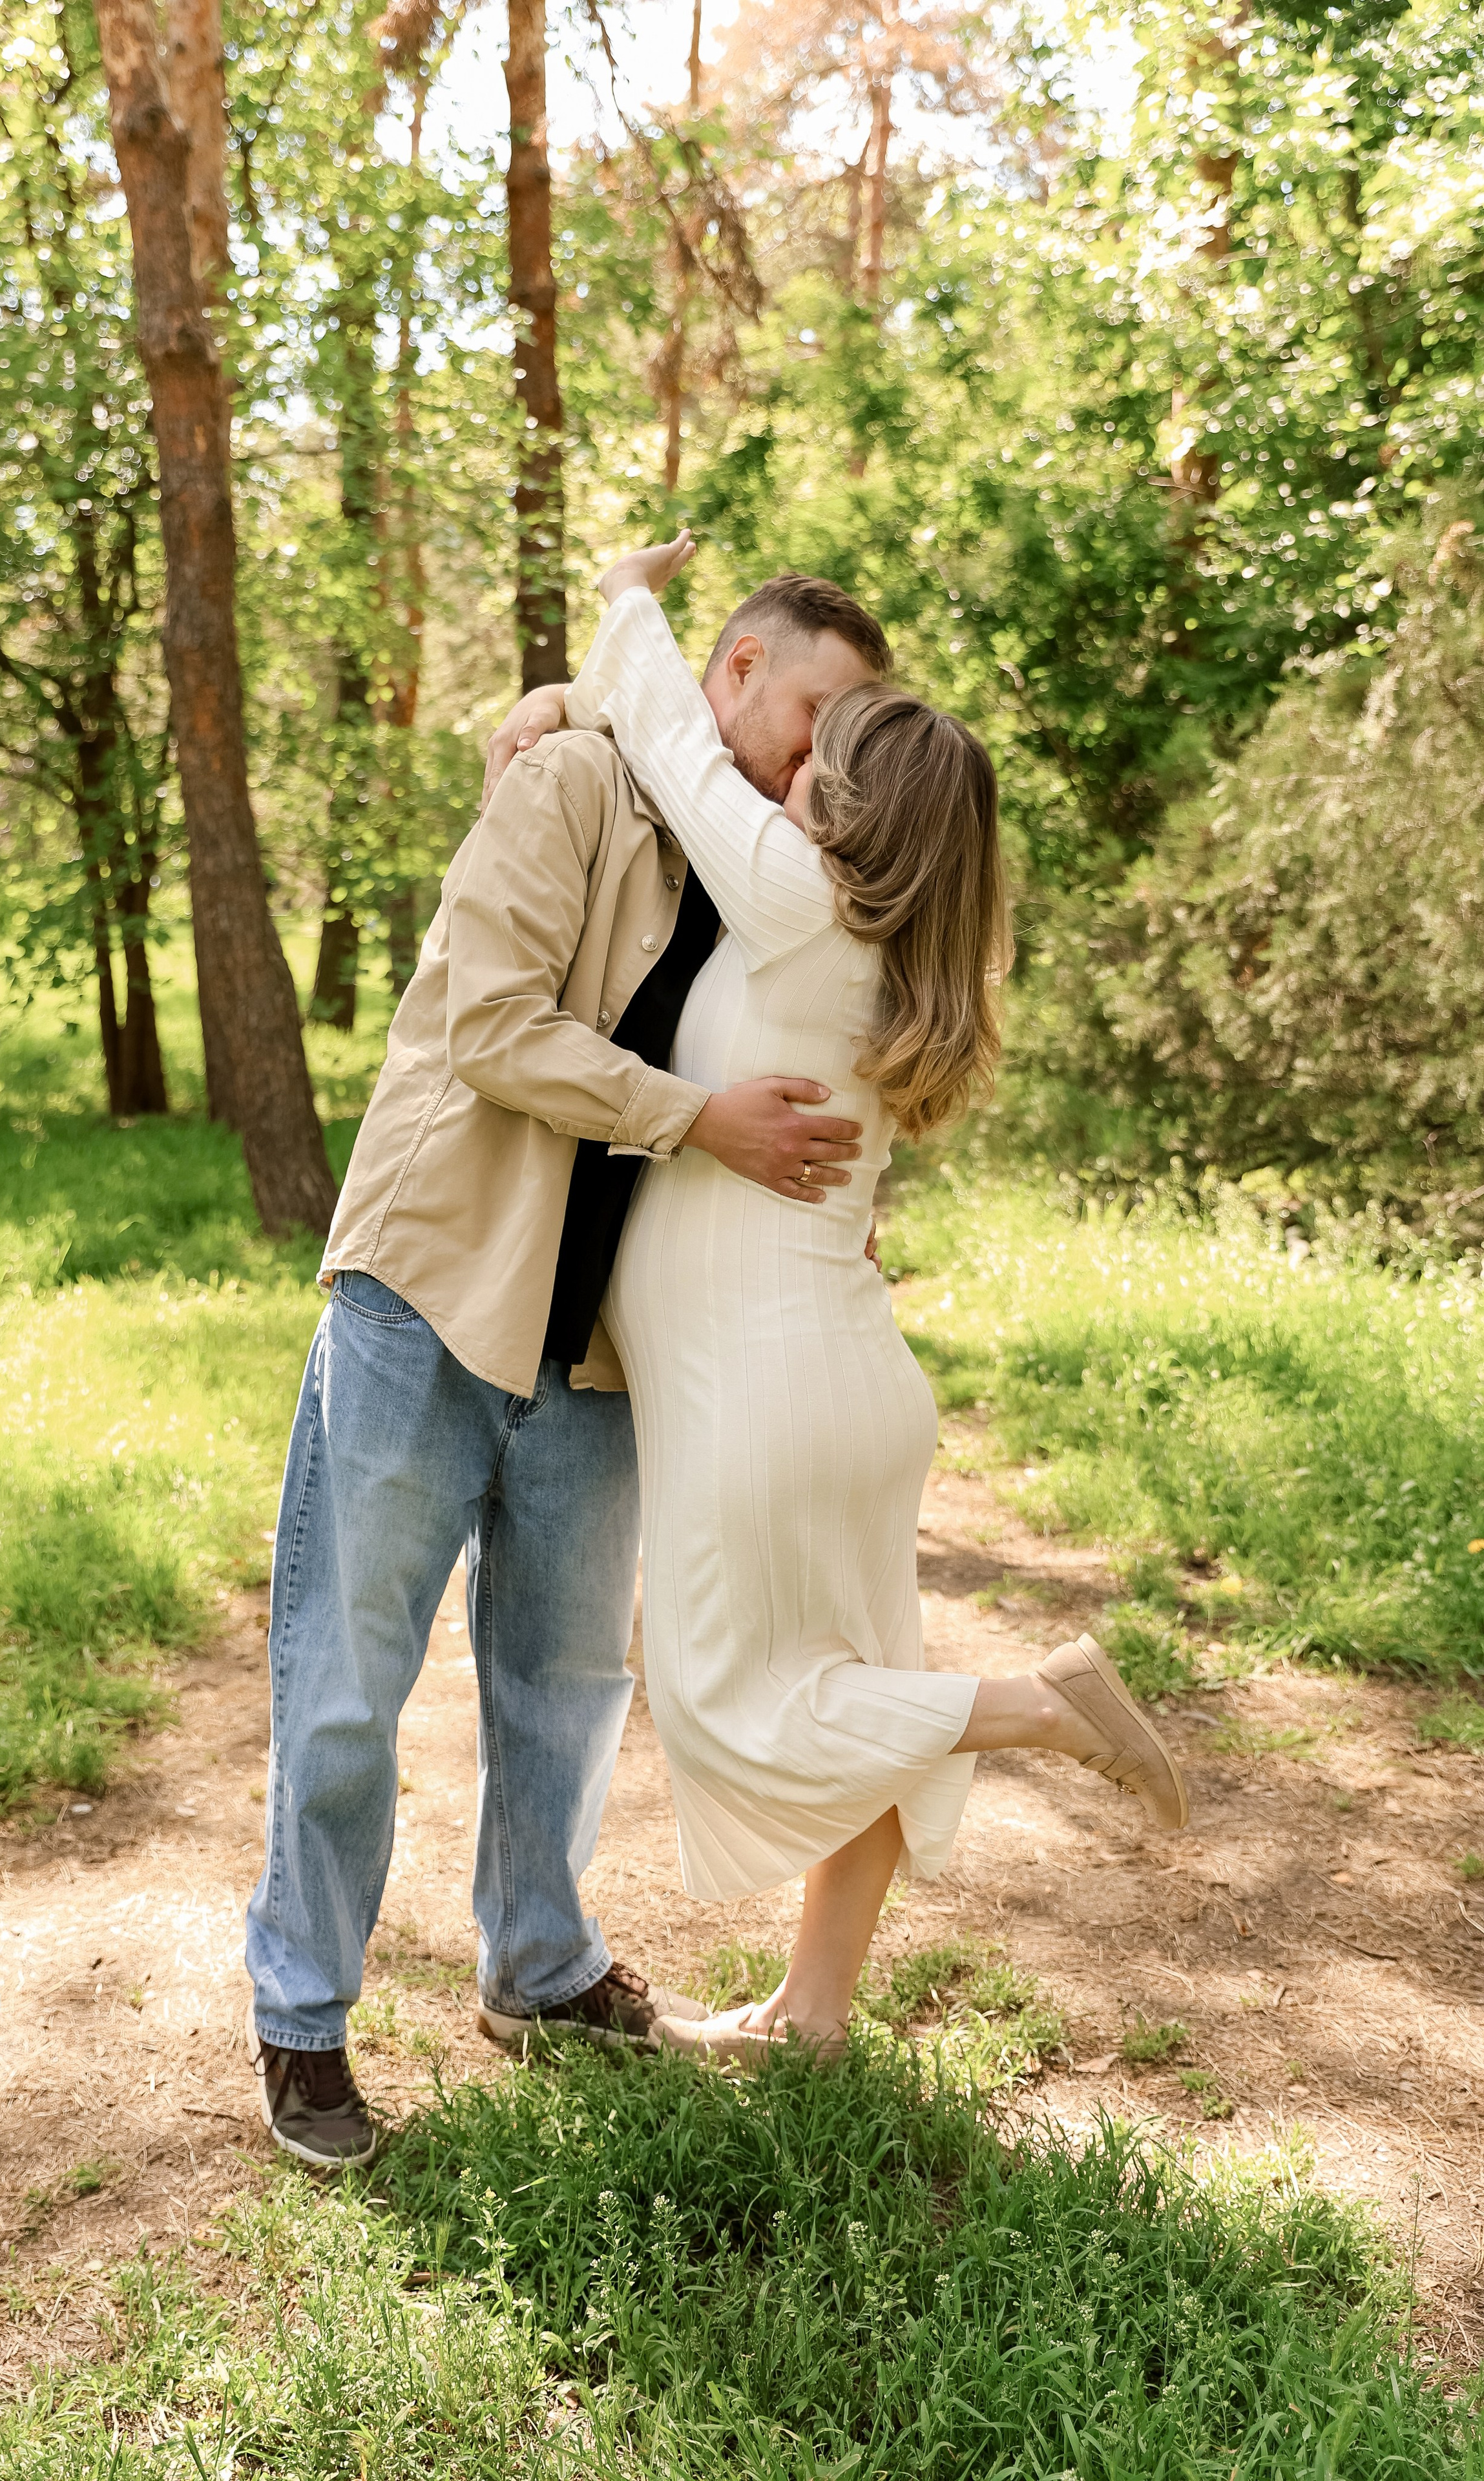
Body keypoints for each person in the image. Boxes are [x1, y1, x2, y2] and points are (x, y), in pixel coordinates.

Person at [242, 565, 895, 2164]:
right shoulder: (571, 783)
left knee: (569, 1685)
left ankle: (537, 1970)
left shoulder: (767, 863)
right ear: (734, 667)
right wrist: (695, 1120)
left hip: (604, 1340)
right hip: (434, 1288)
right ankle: (303, 2019)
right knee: (347, 1684)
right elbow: (489, 1027)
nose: (823, 754)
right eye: (814, 712)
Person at [530, 532, 1188, 2062]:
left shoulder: (793, 898)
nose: (788, 771)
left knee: (728, 1705)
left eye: (819, 758)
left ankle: (1040, 1705)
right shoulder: (900, 962)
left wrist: (625, 596)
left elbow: (670, 729)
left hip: (762, 1387)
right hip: (839, 1380)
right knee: (858, 1680)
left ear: (851, 809)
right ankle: (814, 2013)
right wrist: (548, 706)